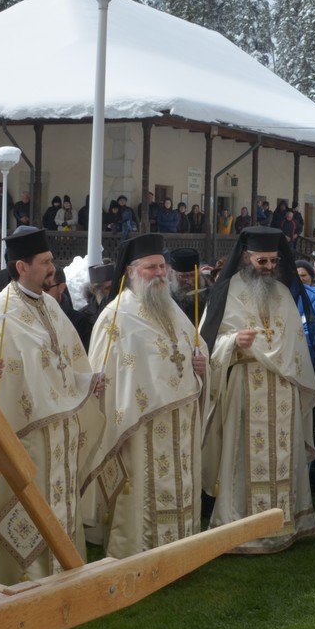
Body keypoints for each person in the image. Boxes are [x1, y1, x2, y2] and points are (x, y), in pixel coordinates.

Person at [0, 227, 106, 582]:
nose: (53, 267)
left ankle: (66, 577)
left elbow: (65, 363)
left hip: (59, 436)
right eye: (45, 262)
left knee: (60, 508)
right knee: (30, 510)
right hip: (25, 438)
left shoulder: (50, 305)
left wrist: (87, 382)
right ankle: (25, 584)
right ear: (22, 266)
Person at [86, 234, 206, 558]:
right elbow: (101, 372)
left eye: (161, 266)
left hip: (181, 421)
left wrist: (201, 364)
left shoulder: (173, 309)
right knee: (142, 489)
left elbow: (193, 350)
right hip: (140, 425)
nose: (158, 273)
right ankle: (138, 550)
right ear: (131, 270)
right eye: (150, 267)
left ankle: (181, 549)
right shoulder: (116, 317)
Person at [200, 227, 315, 553]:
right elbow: (205, 343)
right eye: (261, 260)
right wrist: (232, 343)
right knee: (241, 455)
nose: (267, 267)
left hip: (282, 391)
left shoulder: (282, 293)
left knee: (284, 454)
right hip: (243, 384)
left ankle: (285, 525)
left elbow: (296, 345)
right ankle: (240, 527)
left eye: (273, 261)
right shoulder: (227, 292)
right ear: (247, 257)